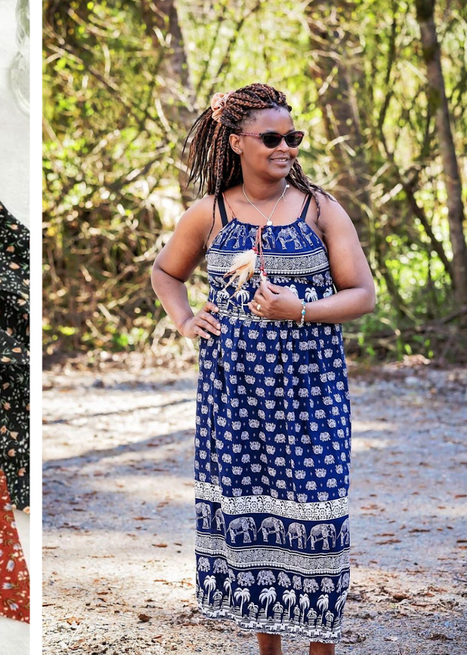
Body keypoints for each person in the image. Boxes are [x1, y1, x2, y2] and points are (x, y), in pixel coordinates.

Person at [151, 83, 376, 654]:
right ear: (236, 142)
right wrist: (183, 319)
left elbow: (363, 295)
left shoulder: (321, 209)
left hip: (310, 392)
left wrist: (297, 310)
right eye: (272, 138)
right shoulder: (211, 212)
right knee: (255, 521)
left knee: (317, 522)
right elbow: (165, 273)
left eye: (292, 138)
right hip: (236, 397)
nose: (286, 148)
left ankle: (320, 647)